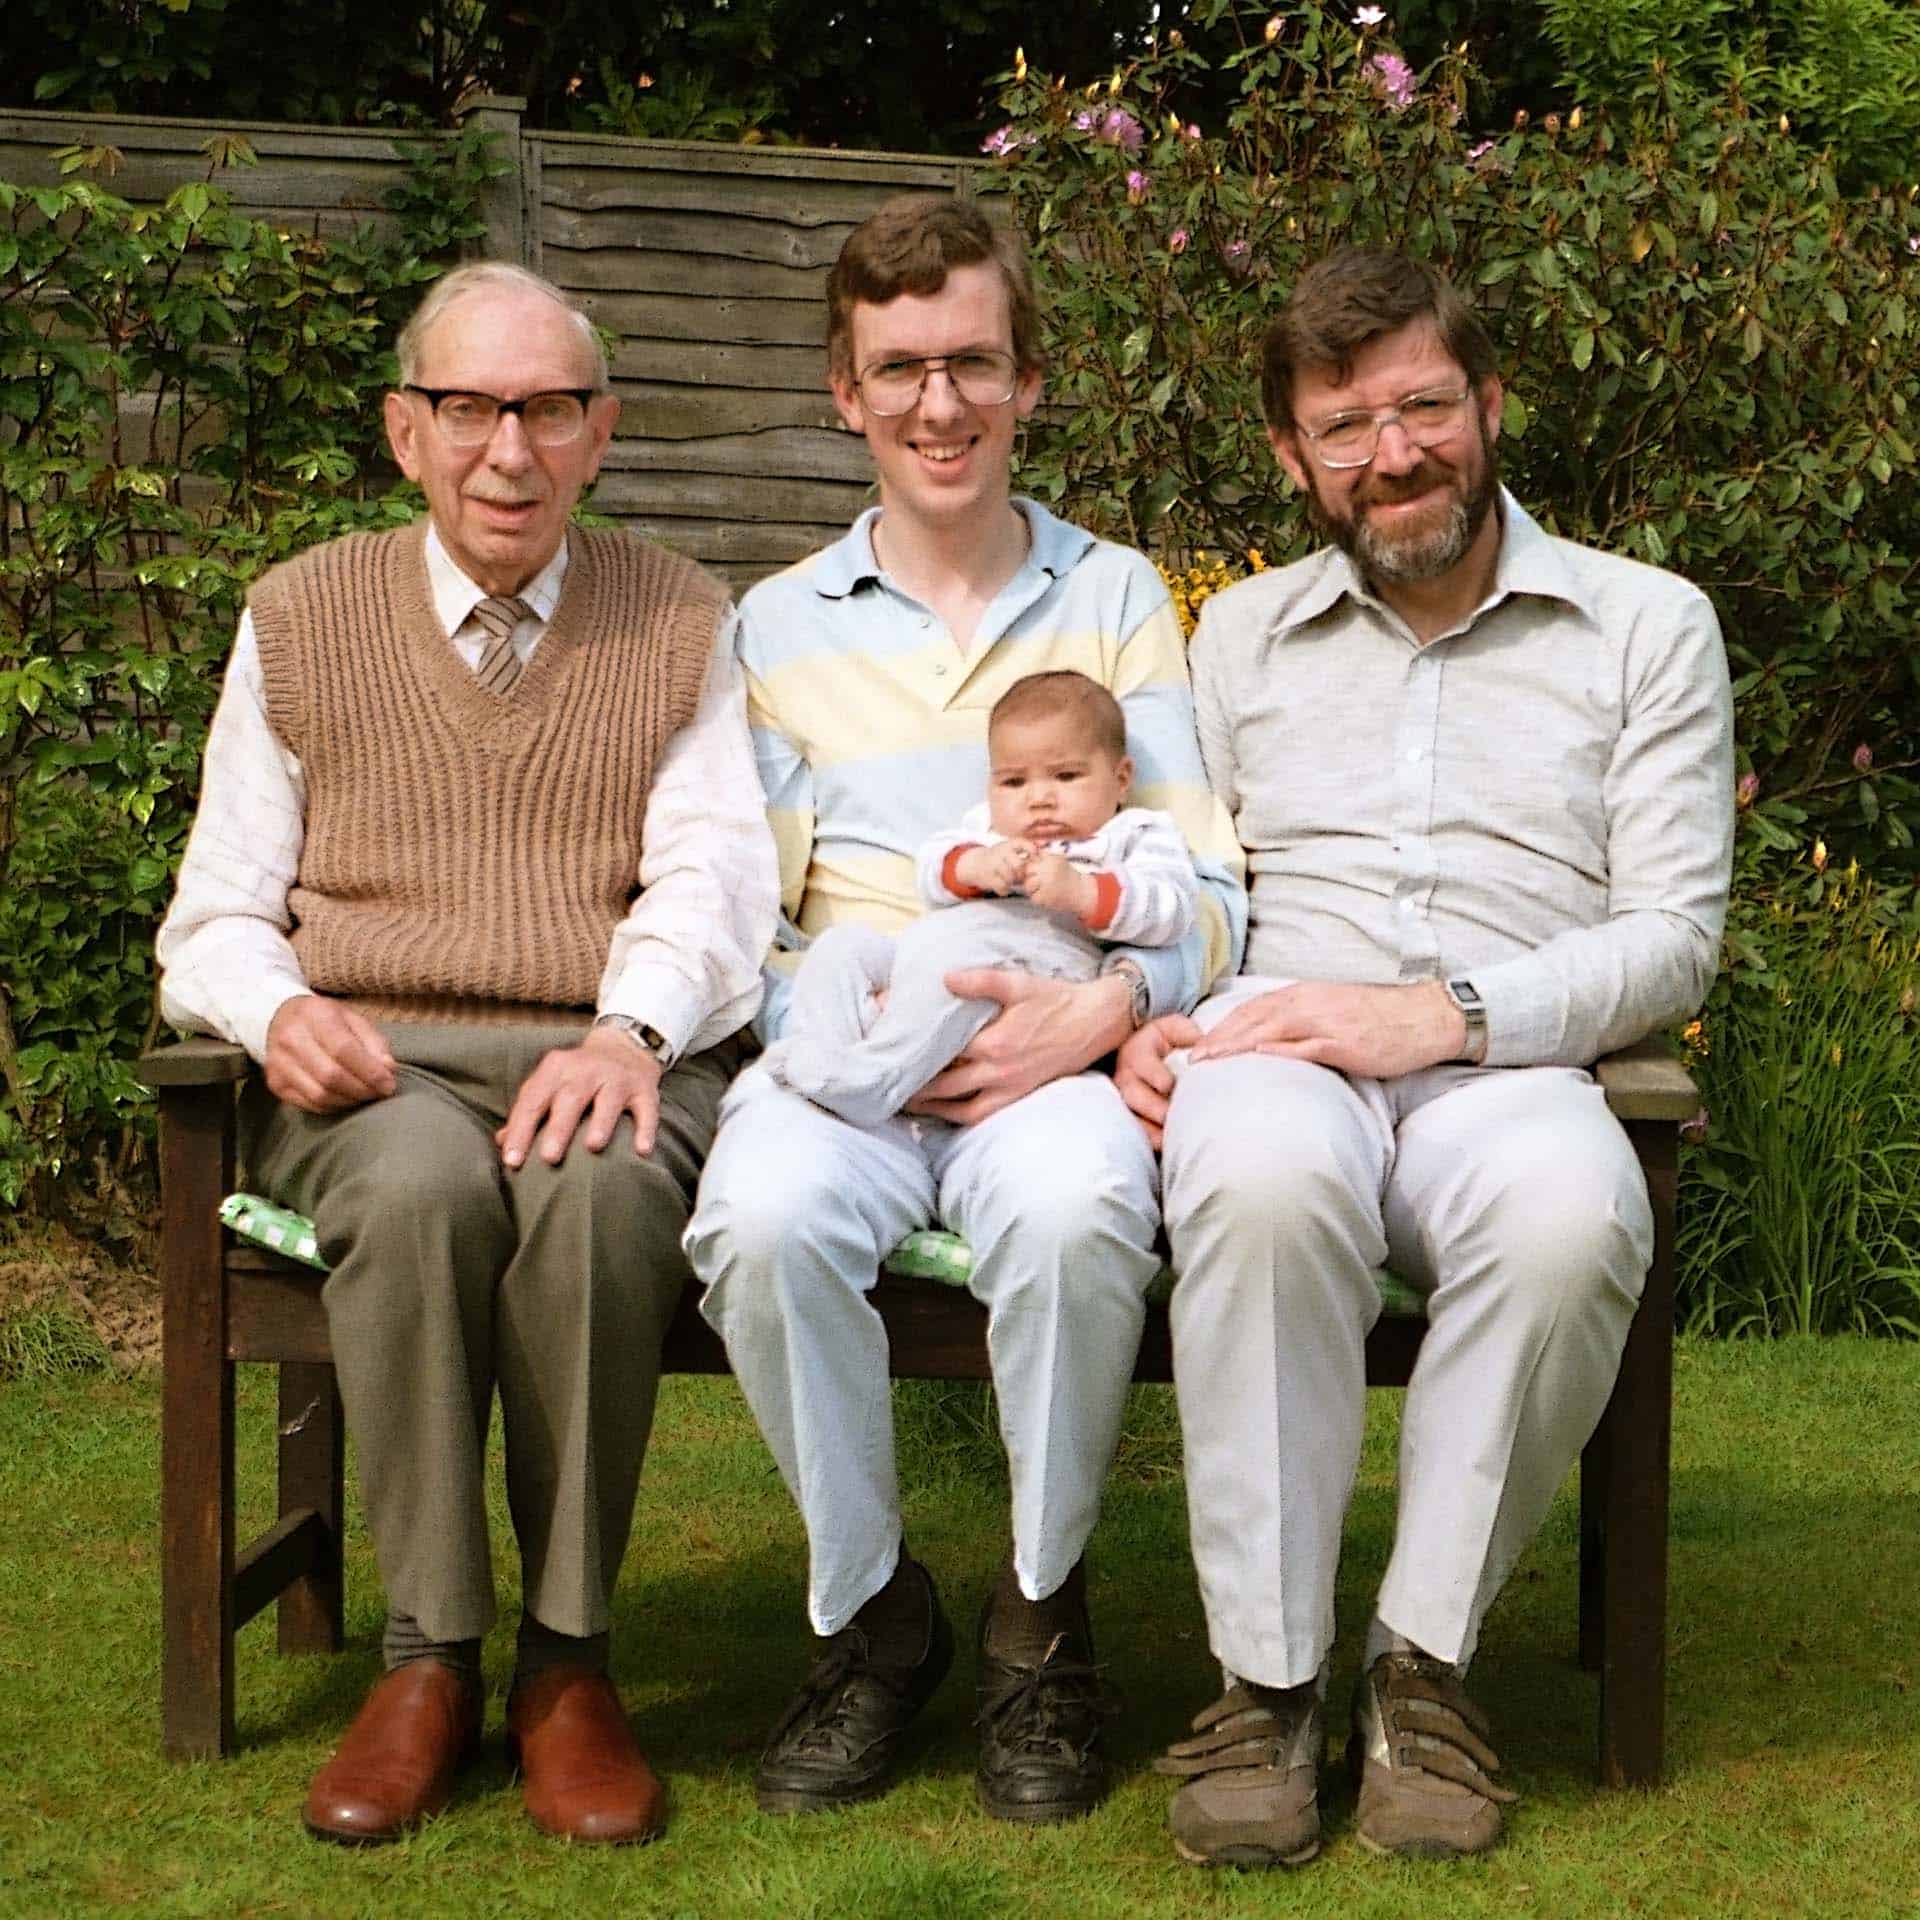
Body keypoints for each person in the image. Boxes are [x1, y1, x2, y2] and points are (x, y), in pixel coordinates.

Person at [1119, 245, 1734, 1867]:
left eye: (1424, 408)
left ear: (1490, 404)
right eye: (1346, 425)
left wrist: (1445, 1013)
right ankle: (1267, 1686)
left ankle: (1422, 1669)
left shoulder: (1646, 626)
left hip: (1517, 1063)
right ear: (1292, 454)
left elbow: (1675, 934)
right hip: (1278, 1047)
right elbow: (1190, 881)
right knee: (1255, 1184)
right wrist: (1143, 1010)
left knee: (1576, 1219)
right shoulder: (1238, 636)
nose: (1393, 454)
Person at [155, 261, 779, 1846]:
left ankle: (567, 1663)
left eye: (550, 409)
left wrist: (630, 1032)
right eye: (470, 409)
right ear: (405, 432)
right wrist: (279, 1015)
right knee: (423, 1187)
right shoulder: (300, 614)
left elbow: (716, 882)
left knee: (602, 1193)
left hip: (604, 1046)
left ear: (599, 432)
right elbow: (214, 914)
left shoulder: (680, 618)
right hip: (377, 1067)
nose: (511, 449)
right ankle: (427, 1658)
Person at [683, 195, 1246, 1825]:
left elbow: (1208, 890)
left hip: (1057, 1045)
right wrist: (854, 1037)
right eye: (902, 369)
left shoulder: (1119, 597)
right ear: (844, 392)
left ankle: (1037, 1619)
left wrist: (1109, 1005)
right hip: (861, 1044)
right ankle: (874, 1618)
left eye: (974, 364)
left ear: (1027, 379)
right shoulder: (771, 626)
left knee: (1076, 1218)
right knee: (760, 1224)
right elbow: (743, 917)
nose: (942, 404)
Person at [762, 669, 1200, 1128]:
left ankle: (872, 1087)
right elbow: (931, 869)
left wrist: (1084, 892)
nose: (1039, 799)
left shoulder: (1136, 834)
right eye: (1013, 783)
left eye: (1066, 776)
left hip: (1025, 966)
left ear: (1121, 777)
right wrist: (975, 867)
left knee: (960, 986)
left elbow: (1173, 908)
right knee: (843, 946)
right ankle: (822, 1054)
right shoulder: (985, 830)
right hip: (919, 952)